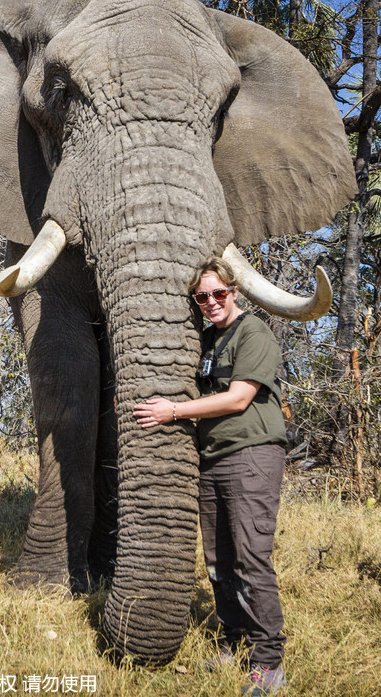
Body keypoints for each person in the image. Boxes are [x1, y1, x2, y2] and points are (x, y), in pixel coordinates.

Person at [133, 256, 287, 696]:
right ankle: (234, 642)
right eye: (202, 296)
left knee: (250, 557)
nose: (211, 302)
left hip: (251, 454)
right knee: (219, 560)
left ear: (234, 291)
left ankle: (268, 661)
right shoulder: (207, 339)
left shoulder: (253, 332)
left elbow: (239, 399)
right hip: (213, 457)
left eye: (218, 293)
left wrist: (174, 411)